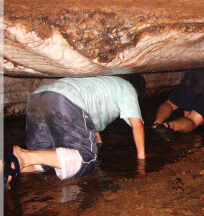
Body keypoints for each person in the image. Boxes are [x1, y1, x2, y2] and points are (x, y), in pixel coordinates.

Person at [3, 76, 145, 187]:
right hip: (64, 98)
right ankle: (23, 156)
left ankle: (6, 167)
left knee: (46, 162)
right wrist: (141, 161)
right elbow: (137, 125)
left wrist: (99, 143)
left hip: (37, 97)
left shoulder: (105, 84)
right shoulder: (128, 88)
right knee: (87, 158)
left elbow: (88, 122)